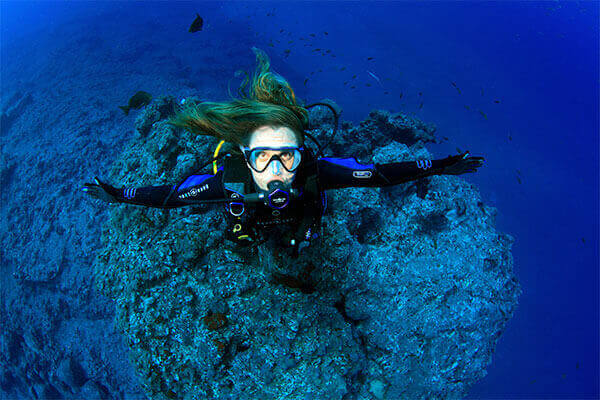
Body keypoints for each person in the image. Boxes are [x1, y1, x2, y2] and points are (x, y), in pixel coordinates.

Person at [83, 48, 484, 257]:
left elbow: (379, 174)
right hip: (248, 219)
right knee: (240, 233)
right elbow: (170, 197)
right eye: (262, 157)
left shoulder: (317, 172)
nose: (276, 169)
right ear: (243, 153)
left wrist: (441, 167)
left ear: (302, 150)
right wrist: (119, 195)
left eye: (287, 156)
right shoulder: (229, 182)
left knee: (310, 228)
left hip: (304, 219)